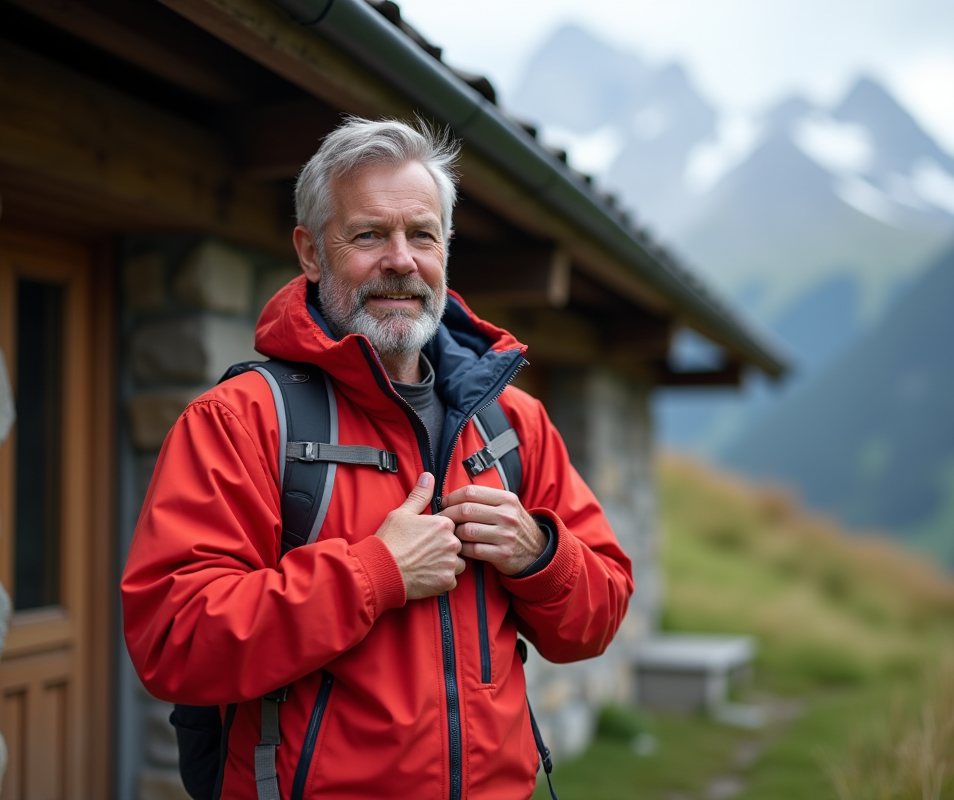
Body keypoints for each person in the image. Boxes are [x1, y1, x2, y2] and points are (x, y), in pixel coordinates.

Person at [122, 117, 634, 800]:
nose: (400, 259)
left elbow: (596, 619)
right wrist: (375, 571)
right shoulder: (242, 420)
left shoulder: (514, 423)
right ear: (311, 252)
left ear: (444, 248)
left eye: (421, 234)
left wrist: (539, 551)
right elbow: (174, 639)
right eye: (368, 234)